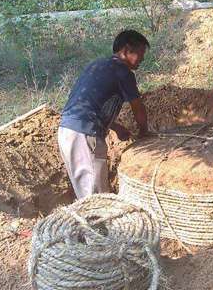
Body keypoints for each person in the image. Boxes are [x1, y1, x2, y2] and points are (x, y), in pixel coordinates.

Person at [58, 30, 150, 199]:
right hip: (84, 135)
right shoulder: (123, 71)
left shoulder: (98, 64)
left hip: (68, 130)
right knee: (97, 199)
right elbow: (138, 107)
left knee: (86, 192)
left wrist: (114, 126)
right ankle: (98, 226)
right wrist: (145, 132)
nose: (142, 60)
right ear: (126, 50)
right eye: (140, 54)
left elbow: (87, 103)